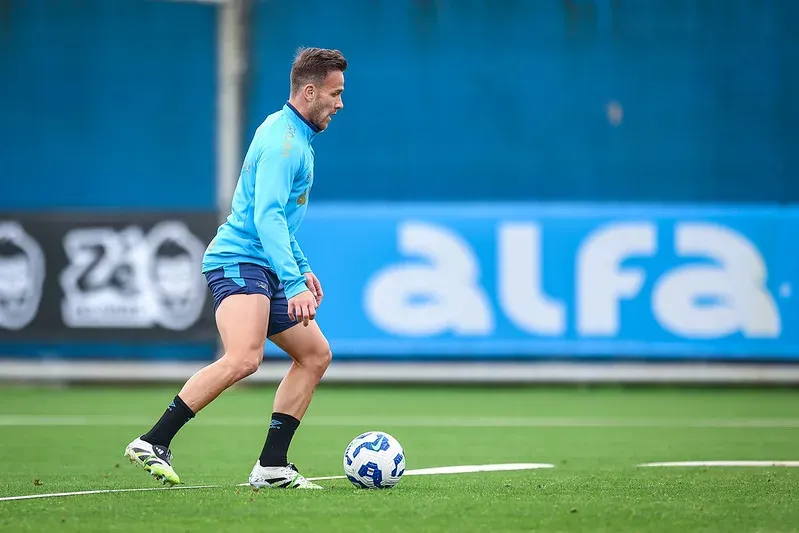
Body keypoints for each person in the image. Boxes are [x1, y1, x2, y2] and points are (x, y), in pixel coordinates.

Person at [124, 47, 347, 490]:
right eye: (335, 93)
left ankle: (272, 465)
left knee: (315, 354)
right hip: (239, 260)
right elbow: (264, 218)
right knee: (244, 358)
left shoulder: (293, 133)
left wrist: (300, 267)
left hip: (264, 264)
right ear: (309, 91)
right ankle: (152, 441)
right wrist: (291, 281)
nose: (340, 103)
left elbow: (279, 216)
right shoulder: (286, 145)